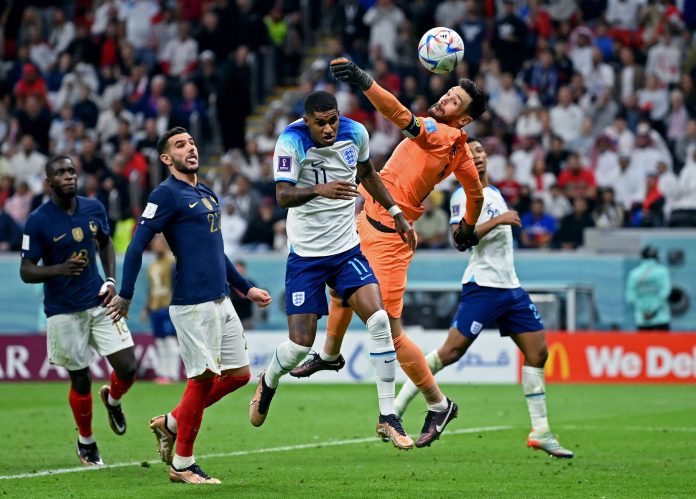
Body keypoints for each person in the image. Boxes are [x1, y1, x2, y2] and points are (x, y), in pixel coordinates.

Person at [290, 58, 486, 446]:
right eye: (448, 93)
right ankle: (329, 353)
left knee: (390, 334)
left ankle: (438, 403)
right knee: (340, 289)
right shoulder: (460, 150)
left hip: (389, 239)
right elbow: (475, 192)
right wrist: (466, 226)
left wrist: (364, 81)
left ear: (463, 120)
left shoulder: (439, 134)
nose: (445, 99)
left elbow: (399, 114)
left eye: (455, 101)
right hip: (369, 222)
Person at [249, 90, 421, 450]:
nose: (329, 129)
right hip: (307, 257)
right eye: (322, 123)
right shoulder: (290, 141)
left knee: (379, 321)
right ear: (307, 121)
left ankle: (388, 416)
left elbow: (368, 174)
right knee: (300, 345)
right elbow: (282, 196)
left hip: (346, 250)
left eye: (334, 120)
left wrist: (396, 213)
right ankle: (269, 379)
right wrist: (320, 189)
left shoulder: (356, 133)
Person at [106, 127, 272, 484]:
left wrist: (245, 289)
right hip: (192, 304)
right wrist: (126, 292)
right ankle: (183, 464)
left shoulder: (206, 192)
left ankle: (171, 422)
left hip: (222, 299)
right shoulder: (165, 195)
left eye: (192, 142)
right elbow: (136, 246)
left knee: (239, 375)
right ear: (167, 159)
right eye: (180, 146)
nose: (191, 148)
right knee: (202, 379)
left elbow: (217, 251)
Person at [393, 139, 574, 458]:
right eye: (469, 153)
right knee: (450, 352)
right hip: (483, 286)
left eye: (479, 152)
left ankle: (541, 430)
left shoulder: (495, 193)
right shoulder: (462, 195)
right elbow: (461, 239)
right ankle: (396, 407)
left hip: (511, 288)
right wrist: (499, 220)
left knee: (539, 352)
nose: (476, 156)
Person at [19, 155, 137, 467]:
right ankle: (86, 442)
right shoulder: (38, 221)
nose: (69, 176)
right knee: (80, 379)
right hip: (63, 311)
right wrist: (59, 268)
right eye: (60, 172)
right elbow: (26, 270)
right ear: (49, 182)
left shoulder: (94, 208)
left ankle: (112, 400)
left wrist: (110, 279)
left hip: (98, 300)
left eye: (71, 170)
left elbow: (106, 243)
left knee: (128, 367)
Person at [141, 234, 179, 383]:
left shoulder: (171, 261)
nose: (155, 246)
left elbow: (176, 283)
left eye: (158, 243)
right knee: (160, 342)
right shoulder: (152, 265)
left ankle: (172, 374)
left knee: (170, 340)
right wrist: (146, 308)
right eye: (154, 243)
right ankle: (163, 373)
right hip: (155, 307)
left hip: (168, 305)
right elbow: (151, 289)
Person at [625, 246, 672, 331]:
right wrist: (653, 310)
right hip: (661, 317)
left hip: (642, 318)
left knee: (644, 344)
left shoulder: (634, 274)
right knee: (663, 343)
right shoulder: (662, 271)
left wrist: (644, 310)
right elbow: (665, 292)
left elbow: (630, 296)